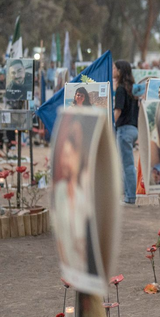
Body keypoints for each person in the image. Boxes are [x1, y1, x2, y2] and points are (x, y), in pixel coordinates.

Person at [52, 115, 97, 279]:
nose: (67, 149)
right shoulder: (60, 191)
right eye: (66, 140)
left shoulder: (89, 196)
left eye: (74, 142)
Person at [113, 60, 139, 205]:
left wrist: (111, 124)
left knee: (127, 164)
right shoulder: (132, 89)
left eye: (114, 68)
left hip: (124, 129)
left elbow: (118, 110)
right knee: (126, 164)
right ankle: (127, 194)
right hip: (133, 128)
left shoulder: (121, 90)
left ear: (120, 71)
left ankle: (130, 197)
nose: (112, 70)